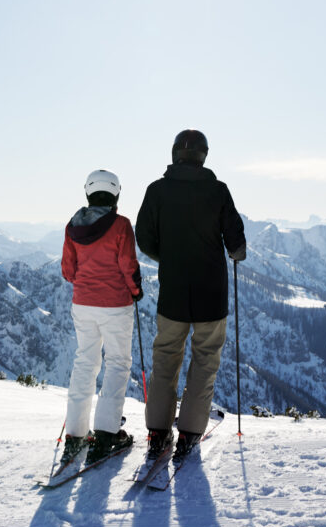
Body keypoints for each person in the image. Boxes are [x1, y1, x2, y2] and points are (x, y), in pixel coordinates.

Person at [135, 129, 246, 461]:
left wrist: (167, 256)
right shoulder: (218, 191)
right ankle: (190, 432)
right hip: (212, 296)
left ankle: (157, 431)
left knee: (165, 359)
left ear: (175, 154)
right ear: (204, 155)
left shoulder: (156, 191)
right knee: (205, 360)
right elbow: (237, 246)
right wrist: (233, 252)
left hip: (173, 293)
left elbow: (143, 238)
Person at [60, 169, 143, 465]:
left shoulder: (73, 225)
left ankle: (75, 434)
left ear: (88, 193)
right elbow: (127, 264)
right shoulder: (121, 225)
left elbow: (68, 271)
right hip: (116, 305)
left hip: (82, 304)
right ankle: (107, 434)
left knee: (85, 362)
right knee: (118, 364)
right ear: (116, 194)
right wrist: (136, 290)